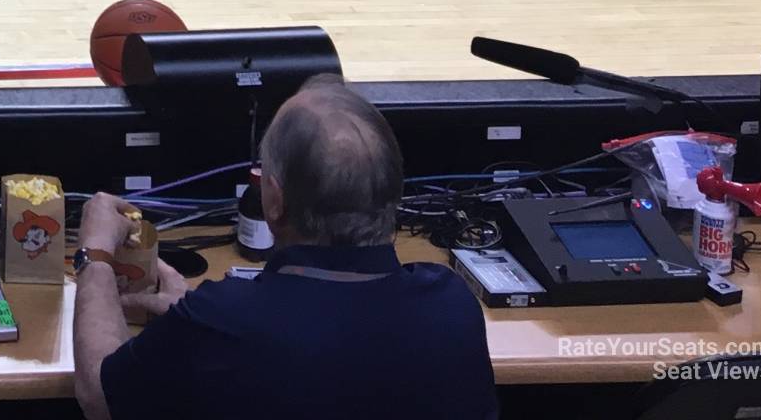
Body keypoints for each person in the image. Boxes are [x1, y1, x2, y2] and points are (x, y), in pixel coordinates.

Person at [71, 76, 496, 420]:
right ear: (395, 193)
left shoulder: (222, 321)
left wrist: (96, 254)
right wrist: (192, 317)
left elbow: (98, 394)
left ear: (273, 200)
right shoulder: (451, 304)